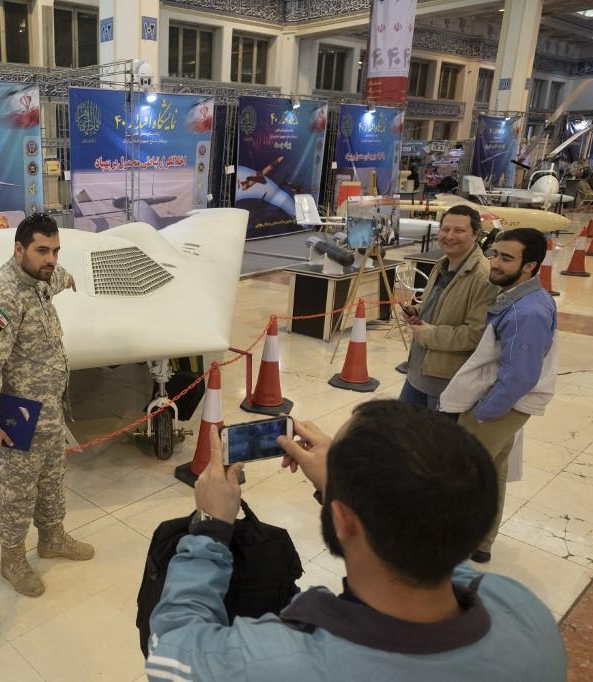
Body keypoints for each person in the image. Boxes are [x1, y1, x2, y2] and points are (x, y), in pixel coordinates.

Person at [145, 401, 566, 681]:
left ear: (345, 521)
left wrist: (212, 527)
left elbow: (168, 652)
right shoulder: (525, 614)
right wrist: (347, 492)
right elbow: (432, 543)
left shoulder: (280, 661)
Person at [0, 212, 94, 597]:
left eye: (55, 250)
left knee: (52, 477)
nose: (50, 259)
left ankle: (52, 538)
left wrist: (64, 276)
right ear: (18, 249)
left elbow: (53, 276)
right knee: (19, 491)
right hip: (19, 416)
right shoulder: (1, 301)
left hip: (49, 410)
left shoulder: (38, 278)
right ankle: (13, 559)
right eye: (42, 251)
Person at [440, 228, 557, 564]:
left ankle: (448, 541)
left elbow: (520, 375)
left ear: (529, 266)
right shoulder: (521, 298)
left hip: (500, 407)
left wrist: (483, 413)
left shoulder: (527, 311)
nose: (495, 263)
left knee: (462, 475)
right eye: (494, 254)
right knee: (493, 472)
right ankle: (482, 541)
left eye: (507, 258)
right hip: (505, 405)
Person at [398, 204, 499, 416]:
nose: (449, 236)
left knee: (435, 446)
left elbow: (476, 335)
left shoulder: (484, 277)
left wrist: (429, 334)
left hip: (446, 381)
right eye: (445, 229)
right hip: (418, 372)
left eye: (459, 231)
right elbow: (438, 306)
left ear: (476, 235)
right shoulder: (443, 264)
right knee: (403, 439)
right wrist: (418, 311)